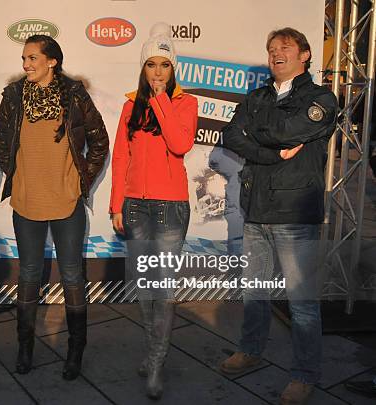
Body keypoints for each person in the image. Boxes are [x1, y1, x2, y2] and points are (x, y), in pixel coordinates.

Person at [219, 27, 337, 405]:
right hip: (256, 210)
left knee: (301, 302)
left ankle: (305, 374)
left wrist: (257, 131)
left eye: (285, 47)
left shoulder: (321, 98)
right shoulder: (256, 96)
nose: (276, 53)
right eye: (271, 49)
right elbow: (231, 136)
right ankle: (251, 350)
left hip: (295, 213)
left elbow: (290, 130)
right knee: (254, 292)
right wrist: (270, 152)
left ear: (305, 55)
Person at [0, 35, 109, 380]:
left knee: (72, 275)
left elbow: (99, 140)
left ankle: (75, 351)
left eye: (32, 58)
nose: (26, 64)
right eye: (24, 58)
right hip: (26, 201)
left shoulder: (74, 95)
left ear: (51, 61)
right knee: (28, 275)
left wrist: (80, 178)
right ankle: (25, 347)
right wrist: (15, 172)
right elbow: (0, 138)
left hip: (66, 202)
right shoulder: (14, 96)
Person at [109, 23, 197, 400]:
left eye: (164, 65)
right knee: (144, 288)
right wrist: (116, 204)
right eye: (151, 65)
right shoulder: (130, 106)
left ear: (173, 68)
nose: (158, 72)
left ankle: (157, 363)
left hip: (170, 209)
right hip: (135, 208)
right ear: (142, 68)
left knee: (163, 290)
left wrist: (161, 100)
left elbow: (180, 144)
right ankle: (153, 351)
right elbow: (120, 157)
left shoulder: (186, 103)